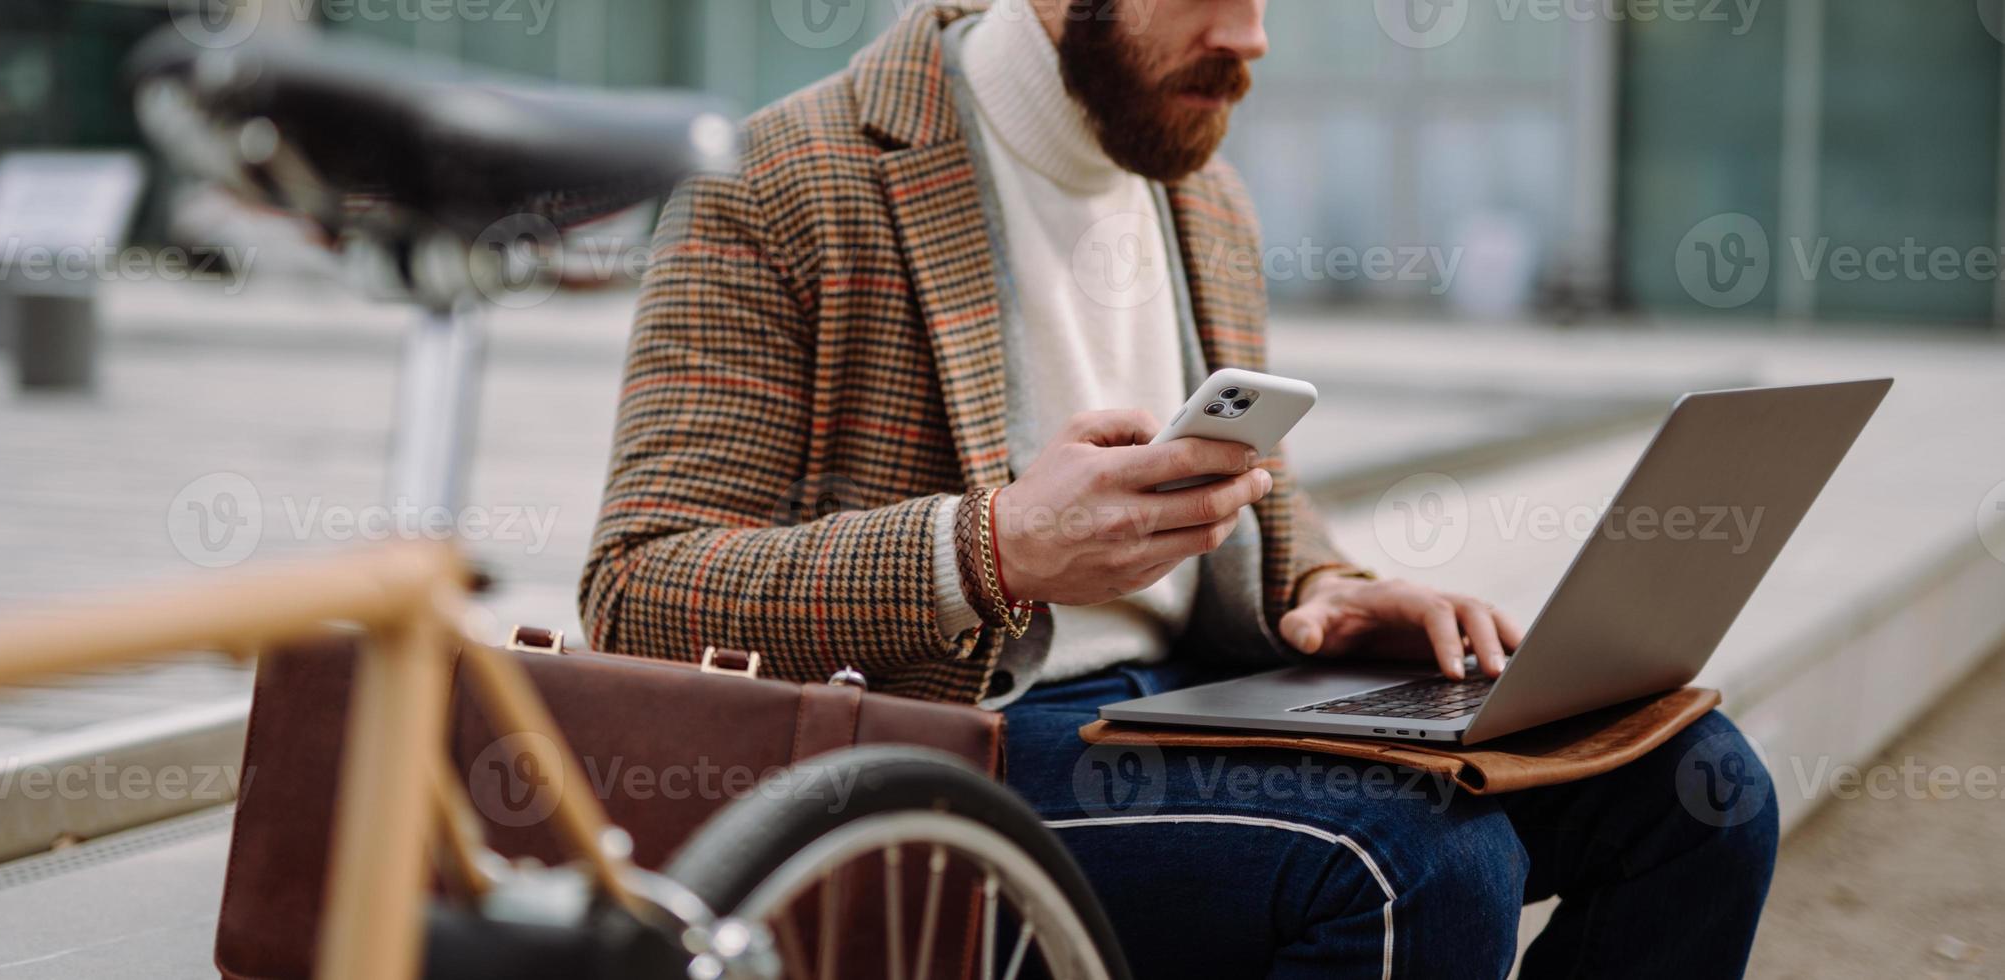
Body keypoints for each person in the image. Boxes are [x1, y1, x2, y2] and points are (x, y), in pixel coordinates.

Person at [581, 0, 1777, 974]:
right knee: (1416, 864)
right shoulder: (778, 180)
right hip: (953, 741)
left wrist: (1334, 586)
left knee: (1702, 786)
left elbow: (1253, 497)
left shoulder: (1203, 191)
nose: (1252, 35)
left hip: (1201, 698)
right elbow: (640, 587)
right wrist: (986, 547)